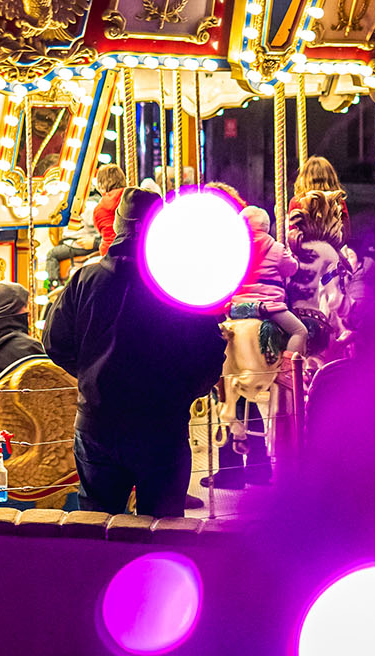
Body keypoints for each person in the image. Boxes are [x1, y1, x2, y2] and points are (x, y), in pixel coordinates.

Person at [45, 188, 225, 517]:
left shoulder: (86, 278)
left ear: (116, 226)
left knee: (98, 526)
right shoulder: (180, 284)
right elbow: (210, 352)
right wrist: (183, 392)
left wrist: (90, 373)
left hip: (98, 421)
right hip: (162, 424)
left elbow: (55, 342)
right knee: (164, 529)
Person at [231, 206, 309, 354]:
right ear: (266, 227)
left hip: (237, 307)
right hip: (268, 307)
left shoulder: (235, 248)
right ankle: (289, 371)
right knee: (300, 331)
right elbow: (291, 269)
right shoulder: (275, 248)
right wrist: (293, 258)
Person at [288, 155, 350, 243]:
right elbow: (346, 233)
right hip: (332, 249)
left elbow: (292, 233)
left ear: (305, 178)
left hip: (305, 250)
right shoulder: (338, 201)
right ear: (331, 178)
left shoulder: (297, 202)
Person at [40, 209, 100, 290]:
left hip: (79, 244)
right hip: (77, 241)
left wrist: (94, 241)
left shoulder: (89, 206)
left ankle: (53, 285)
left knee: (52, 254)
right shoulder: (83, 206)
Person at [90, 164, 127, 252]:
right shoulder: (131, 198)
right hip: (133, 251)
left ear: (101, 184)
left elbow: (99, 229)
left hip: (109, 253)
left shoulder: (99, 208)